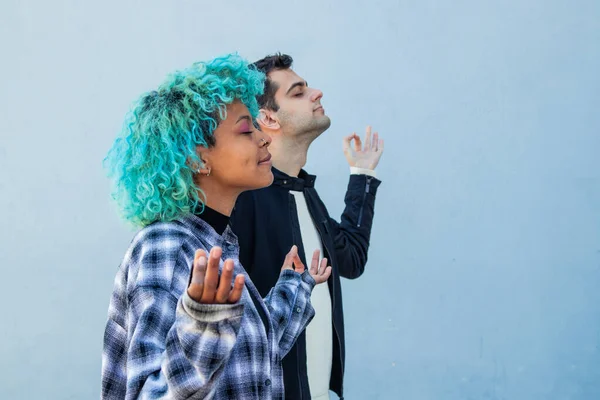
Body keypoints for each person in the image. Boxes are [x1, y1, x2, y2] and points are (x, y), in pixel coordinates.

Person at [101, 53, 331, 400]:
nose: (264, 137)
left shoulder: (217, 245)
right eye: (245, 129)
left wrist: (294, 289)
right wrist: (203, 324)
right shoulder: (164, 246)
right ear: (197, 158)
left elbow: (249, 359)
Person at [230, 54, 384, 400]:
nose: (317, 93)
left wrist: (363, 177)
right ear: (267, 117)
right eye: (298, 93)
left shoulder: (304, 194)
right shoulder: (242, 201)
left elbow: (351, 260)